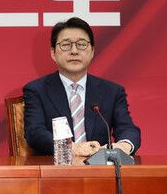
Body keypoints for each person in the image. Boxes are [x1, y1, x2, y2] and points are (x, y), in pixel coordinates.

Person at [23, 17, 140, 156]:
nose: (74, 51)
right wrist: (73, 148)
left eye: (81, 44)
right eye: (66, 45)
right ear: (53, 53)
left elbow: (128, 129)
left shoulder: (112, 91)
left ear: (92, 51)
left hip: (100, 166)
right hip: (55, 167)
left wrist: (123, 146)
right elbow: (35, 132)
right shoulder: (36, 90)